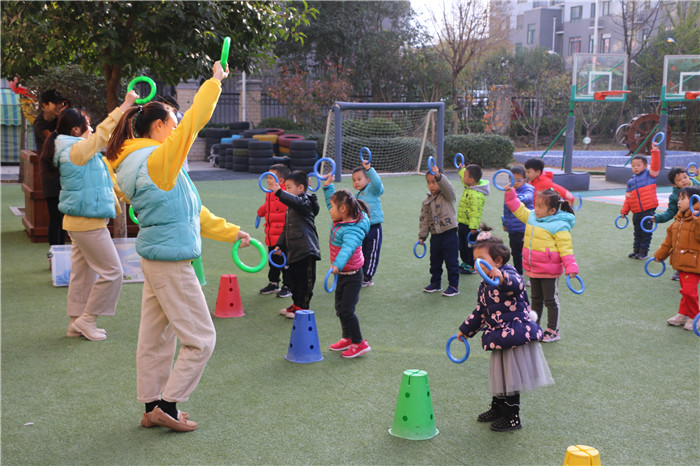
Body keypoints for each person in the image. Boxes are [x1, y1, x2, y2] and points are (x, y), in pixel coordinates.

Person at [105, 61, 251, 432]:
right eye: (173, 120)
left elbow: (193, 212)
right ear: (158, 126)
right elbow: (194, 124)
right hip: (171, 261)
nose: (178, 126)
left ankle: (152, 405)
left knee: (156, 337)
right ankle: (168, 406)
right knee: (201, 339)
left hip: (157, 259)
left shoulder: (142, 163)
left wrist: (232, 232)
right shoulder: (158, 161)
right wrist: (216, 80)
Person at [42, 92, 137, 340]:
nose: (92, 129)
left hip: (82, 222)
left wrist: (132, 199)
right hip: (86, 223)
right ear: (76, 130)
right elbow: (104, 133)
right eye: (88, 125)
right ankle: (88, 319)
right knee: (113, 272)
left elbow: (109, 182)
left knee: (83, 275)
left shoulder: (82, 153)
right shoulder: (75, 151)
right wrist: (125, 106)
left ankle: (76, 322)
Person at [456, 232, 553, 432]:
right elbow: (481, 311)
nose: (476, 265)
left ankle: (512, 417)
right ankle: (498, 408)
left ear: (497, 261)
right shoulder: (484, 286)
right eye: (475, 261)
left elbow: (516, 285)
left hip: (514, 336)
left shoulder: (508, 274)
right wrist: (465, 330)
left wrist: (501, 277)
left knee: (510, 379)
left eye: (481, 260)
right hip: (499, 338)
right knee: (500, 376)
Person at [504, 186, 579, 342]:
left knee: (550, 300)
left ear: (552, 210)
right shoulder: (532, 216)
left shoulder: (559, 225)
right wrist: (510, 195)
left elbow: (566, 248)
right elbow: (518, 209)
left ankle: (552, 330)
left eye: (540, 206)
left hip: (549, 270)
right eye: (535, 205)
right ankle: (534, 326)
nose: (536, 209)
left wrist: (571, 267)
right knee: (536, 299)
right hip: (533, 268)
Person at [321, 184, 372, 358]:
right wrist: (328, 187)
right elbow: (332, 206)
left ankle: (360, 343)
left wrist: (338, 264)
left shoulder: (353, 229)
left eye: (332, 207)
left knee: (348, 310)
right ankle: (347, 338)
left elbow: (348, 249)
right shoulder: (341, 218)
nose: (330, 210)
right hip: (343, 274)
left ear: (343, 209)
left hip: (352, 276)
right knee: (340, 308)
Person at [269, 170, 321, 319]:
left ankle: (303, 306)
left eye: (289, 187)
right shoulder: (292, 206)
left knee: (305, 281)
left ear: (301, 188)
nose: (286, 190)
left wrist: (279, 192)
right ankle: (296, 304)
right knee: (295, 280)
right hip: (294, 250)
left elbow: (297, 202)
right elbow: (287, 228)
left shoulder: (306, 202)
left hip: (307, 249)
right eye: (285, 188)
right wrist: (280, 245)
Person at [652, 186, 700, 331]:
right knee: (686, 290)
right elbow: (668, 243)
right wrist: (659, 255)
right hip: (682, 262)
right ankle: (683, 314)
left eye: (682, 198)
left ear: (694, 200)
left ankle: (695, 317)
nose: (678, 202)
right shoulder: (677, 221)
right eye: (679, 198)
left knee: (688, 291)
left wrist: (697, 220)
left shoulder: (697, 218)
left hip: (694, 262)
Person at [418, 165, 460, 297]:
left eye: (434, 182)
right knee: (435, 260)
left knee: (451, 260)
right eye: (429, 183)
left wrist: (439, 176)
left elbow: (447, 187)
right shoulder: (426, 202)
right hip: (435, 235)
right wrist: (422, 237)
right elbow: (424, 220)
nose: (431, 185)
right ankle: (435, 283)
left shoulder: (447, 196)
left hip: (449, 232)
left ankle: (453, 286)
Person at [653, 167, 700, 280]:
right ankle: (680, 270)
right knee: (679, 246)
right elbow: (670, 212)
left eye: (685, 177)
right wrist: (657, 218)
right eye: (679, 180)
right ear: (675, 185)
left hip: (695, 224)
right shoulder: (675, 197)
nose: (684, 180)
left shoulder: (697, 189)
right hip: (681, 226)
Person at [34, 89, 68, 247]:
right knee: (55, 217)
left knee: (64, 218)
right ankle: (54, 256)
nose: (59, 106)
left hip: (65, 175)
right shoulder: (40, 123)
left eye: (61, 103)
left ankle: (61, 256)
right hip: (50, 176)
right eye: (56, 103)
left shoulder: (59, 120)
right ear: (44, 105)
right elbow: (56, 139)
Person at [257, 164, 291, 298]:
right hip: (271, 234)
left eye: (271, 177)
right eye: (267, 177)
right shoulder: (269, 192)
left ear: (281, 181)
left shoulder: (284, 193)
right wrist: (260, 212)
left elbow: (281, 206)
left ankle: (288, 285)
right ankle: (274, 283)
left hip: (283, 236)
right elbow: (268, 206)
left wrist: (278, 193)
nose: (267, 180)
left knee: (286, 262)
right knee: (273, 261)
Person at [620, 151, 660, 260]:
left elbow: (656, 164)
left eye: (638, 165)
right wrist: (624, 211)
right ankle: (636, 250)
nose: (635, 167)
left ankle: (644, 252)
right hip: (636, 211)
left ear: (645, 166)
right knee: (637, 231)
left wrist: (655, 151)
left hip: (648, 210)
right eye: (633, 166)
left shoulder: (650, 175)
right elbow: (628, 199)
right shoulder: (631, 182)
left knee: (646, 231)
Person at [351, 160, 384, 287]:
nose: (356, 182)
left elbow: (377, 183)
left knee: (372, 252)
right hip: (361, 228)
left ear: (368, 179)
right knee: (362, 251)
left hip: (374, 228)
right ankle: (361, 273)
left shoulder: (373, 189)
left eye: (359, 179)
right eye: (354, 180)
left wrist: (369, 169)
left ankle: (367, 277)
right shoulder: (357, 195)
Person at [501, 165, 534, 279]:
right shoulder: (510, 190)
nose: (514, 183)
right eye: (512, 180)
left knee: (527, 254)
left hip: (524, 229)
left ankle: (531, 275)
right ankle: (519, 274)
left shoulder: (527, 189)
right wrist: (505, 223)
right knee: (515, 253)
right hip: (513, 229)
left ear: (525, 180)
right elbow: (506, 209)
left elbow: (527, 197)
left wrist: (515, 197)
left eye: (518, 180)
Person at [456, 163, 490, 274]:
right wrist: (462, 170)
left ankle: (471, 265)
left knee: (469, 247)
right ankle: (466, 262)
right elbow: (463, 179)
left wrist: (473, 227)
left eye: (465, 176)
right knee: (462, 245)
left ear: (471, 180)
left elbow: (476, 213)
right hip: (462, 222)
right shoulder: (470, 186)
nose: (463, 178)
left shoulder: (477, 194)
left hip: (470, 227)